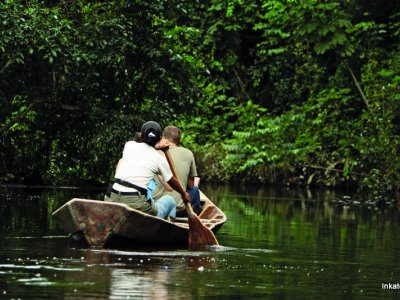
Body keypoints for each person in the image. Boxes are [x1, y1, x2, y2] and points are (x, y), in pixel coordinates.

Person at [104, 121, 190, 220]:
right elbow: (172, 181)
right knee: (170, 200)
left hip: (111, 197)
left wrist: (156, 145)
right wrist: (184, 193)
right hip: (135, 202)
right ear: (159, 138)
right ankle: (168, 227)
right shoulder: (159, 159)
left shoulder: (129, 145)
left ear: (142, 135)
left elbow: (139, 139)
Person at [152, 125, 202, 216]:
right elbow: (190, 185)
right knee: (195, 189)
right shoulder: (188, 153)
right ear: (179, 140)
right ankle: (195, 216)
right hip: (179, 207)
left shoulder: (154, 152)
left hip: (156, 206)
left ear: (163, 138)